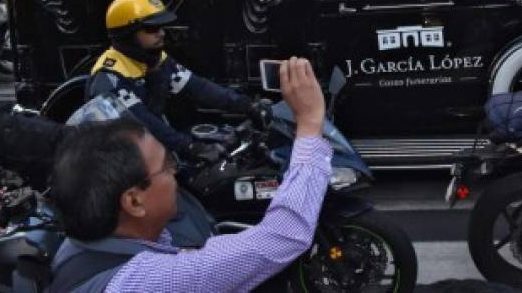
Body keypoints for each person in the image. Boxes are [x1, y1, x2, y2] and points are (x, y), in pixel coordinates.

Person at [50, 57, 330, 292]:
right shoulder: (145, 282)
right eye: (166, 166)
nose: (175, 172)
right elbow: (281, 237)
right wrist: (309, 122)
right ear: (133, 202)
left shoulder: (82, 250)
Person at [86, 0, 255, 160]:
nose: (161, 33)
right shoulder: (111, 77)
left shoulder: (155, 60)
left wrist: (248, 105)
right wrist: (189, 147)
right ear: (127, 34)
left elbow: (199, 88)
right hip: (124, 163)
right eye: (152, 28)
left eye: (161, 27)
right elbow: (143, 124)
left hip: (153, 151)